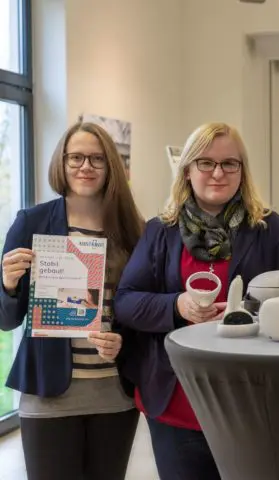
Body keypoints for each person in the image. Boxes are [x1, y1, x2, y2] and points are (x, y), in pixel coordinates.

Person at [113, 122, 279, 480]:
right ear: (187, 170)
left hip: (249, 401)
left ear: (242, 171)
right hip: (175, 399)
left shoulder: (270, 229)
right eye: (206, 163)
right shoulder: (161, 230)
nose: (218, 173)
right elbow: (126, 302)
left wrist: (247, 313)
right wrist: (177, 306)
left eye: (229, 163)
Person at [0, 122, 144, 480]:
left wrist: (124, 340)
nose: (86, 166)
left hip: (114, 394)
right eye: (76, 157)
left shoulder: (132, 228)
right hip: (48, 394)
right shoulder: (31, 222)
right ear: (61, 162)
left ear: (110, 166)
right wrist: (8, 284)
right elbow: (6, 319)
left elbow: (141, 309)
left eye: (97, 159)